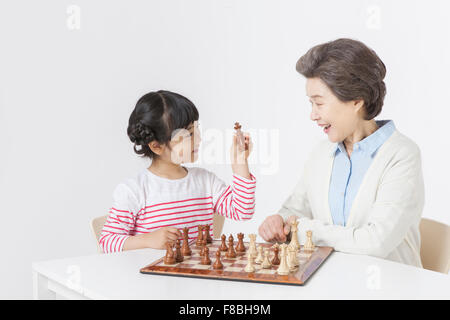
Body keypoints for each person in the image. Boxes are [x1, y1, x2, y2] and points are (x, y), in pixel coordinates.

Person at [258, 38, 424, 267]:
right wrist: (278, 221)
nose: (312, 115)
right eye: (310, 104)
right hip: (331, 284)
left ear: (356, 100)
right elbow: (293, 211)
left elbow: (375, 243)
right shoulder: (321, 153)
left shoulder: (402, 155)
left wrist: (304, 229)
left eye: (319, 103)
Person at [100, 90, 256, 253]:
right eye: (189, 134)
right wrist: (147, 239)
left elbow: (243, 211)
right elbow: (107, 242)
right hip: (153, 276)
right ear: (157, 146)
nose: (199, 138)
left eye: (197, 129)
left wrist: (240, 163)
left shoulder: (205, 181)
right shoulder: (134, 190)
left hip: (198, 274)